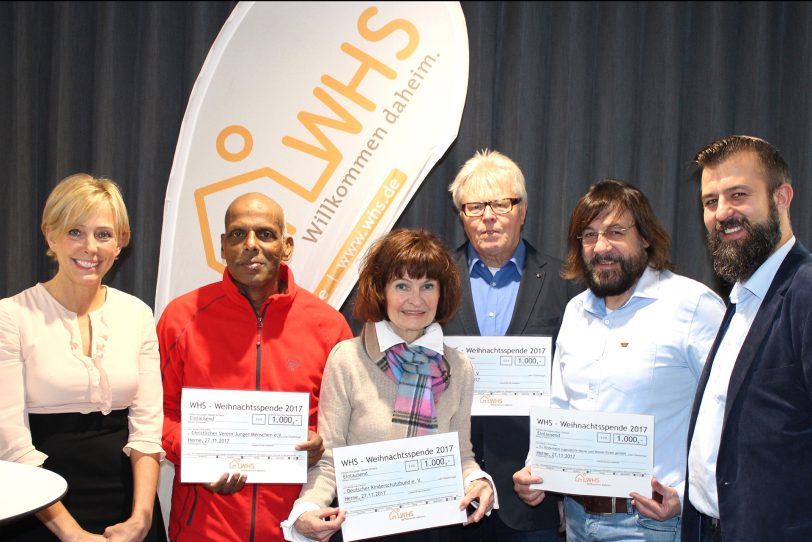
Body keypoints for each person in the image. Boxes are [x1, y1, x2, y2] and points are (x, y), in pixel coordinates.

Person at [513, 179, 726, 541]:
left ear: (645, 237)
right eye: (589, 235)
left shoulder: (693, 306)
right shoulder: (575, 311)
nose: (601, 247)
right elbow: (560, 408)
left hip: (655, 524)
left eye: (615, 232)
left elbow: (729, 414)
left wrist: (690, 494)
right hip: (580, 523)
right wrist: (538, 469)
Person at [158, 192, 352, 541]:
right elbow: (158, 413)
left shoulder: (329, 326)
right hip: (204, 527)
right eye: (237, 234)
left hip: (295, 528)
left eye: (265, 234)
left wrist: (320, 446)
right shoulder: (181, 318)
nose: (250, 245)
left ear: (287, 246)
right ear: (222, 246)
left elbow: (344, 425)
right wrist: (195, 455)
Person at [282, 228, 497, 542]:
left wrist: (478, 480)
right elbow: (329, 459)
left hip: (436, 529)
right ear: (381, 291)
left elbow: (462, 455)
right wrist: (306, 509)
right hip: (363, 530)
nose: (415, 299)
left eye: (427, 285)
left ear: (442, 293)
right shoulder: (348, 359)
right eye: (401, 285)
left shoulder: (459, 367)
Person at [0, 173, 165, 541]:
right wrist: (72, 534)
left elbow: (148, 429)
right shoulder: (10, 316)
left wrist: (142, 518)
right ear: (50, 235)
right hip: (38, 507)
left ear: (120, 243)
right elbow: (10, 441)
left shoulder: (137, 313)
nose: (90, 247)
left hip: (127, 504)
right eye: (76, 231)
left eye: (104, 234)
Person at [443, 149, 578, 541]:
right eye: (474, 206)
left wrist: (552, 473)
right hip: (450, 493)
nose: (488, 216)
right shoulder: (432, 283)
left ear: (523, 209)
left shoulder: (566, 283)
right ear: (461, 216)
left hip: (531, 492)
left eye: (501, 203)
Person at [683, 135, 812, 541]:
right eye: (710, 201)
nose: (722, 213)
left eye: (738, 195)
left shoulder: (805, 290)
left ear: (782, 197)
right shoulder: (741, 300)